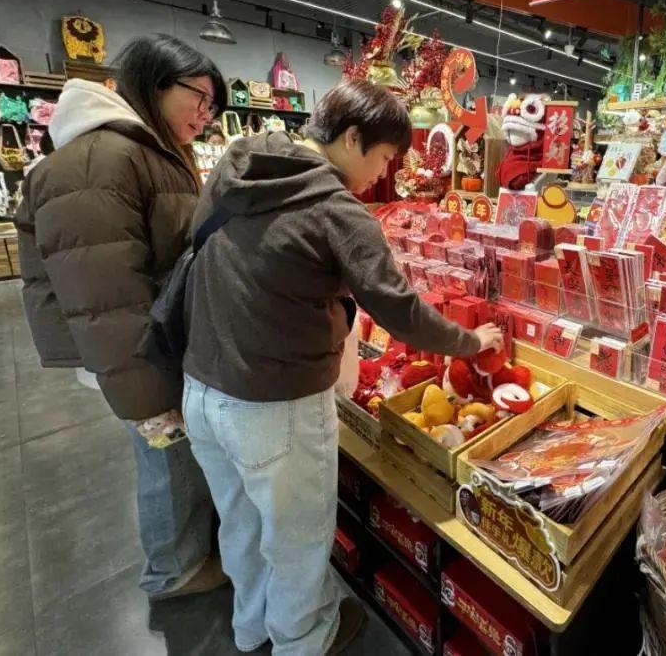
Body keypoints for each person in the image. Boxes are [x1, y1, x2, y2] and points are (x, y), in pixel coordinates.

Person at [181, 79, 503, 656]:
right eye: (384, 157)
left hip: (201, 388)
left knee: (240, 522)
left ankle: (251, 628)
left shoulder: (237, 163)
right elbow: (400, 310)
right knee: (299, 538)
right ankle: (304, 640)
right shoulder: (337, 209)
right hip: (273, 404)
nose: (384, 174)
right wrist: (468, 340)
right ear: (353, 138)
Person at [15, 34, 228, 602]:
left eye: (214, 107)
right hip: (138, 348)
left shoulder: (139, 149)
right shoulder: (101, 157)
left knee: (175, 456)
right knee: (166, 458)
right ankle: (174, 571)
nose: (206, 116)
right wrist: (148, 391)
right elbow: (104, 293)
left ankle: (186, 553)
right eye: (200, 98)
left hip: (155, 338)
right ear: (156, 83)